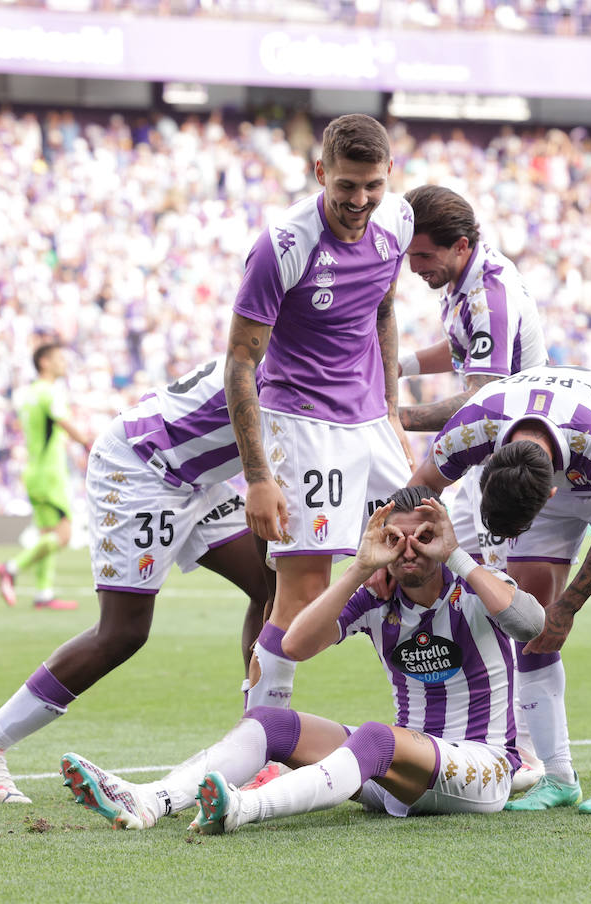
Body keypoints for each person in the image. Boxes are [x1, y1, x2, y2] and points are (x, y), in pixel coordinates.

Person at [58, 487, 545, 831]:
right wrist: (358, 568)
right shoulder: (377, 595)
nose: (409, 550)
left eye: (423, 536)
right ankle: (150, 800)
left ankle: (245, 808)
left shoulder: (475, 585)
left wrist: (458, 556)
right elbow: (295, 646)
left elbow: (531, 624)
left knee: (376, 736)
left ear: (443, 538)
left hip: (482, 772)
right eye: (395, 540)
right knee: (272, 722)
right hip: (396, 774)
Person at [0, 359, 272, 803]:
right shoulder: (298, 358)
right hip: (142, 466)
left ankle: (257, 747)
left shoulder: (306, 345)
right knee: (122, 632)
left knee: (268, 583)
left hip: (192, 476)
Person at [224, 113, 416, 712]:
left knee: (437, 549)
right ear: (319, 173)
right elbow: (238, 363)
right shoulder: (282, 246)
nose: (359, 201)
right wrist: (258, 478)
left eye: (372, 186)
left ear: (389, 176)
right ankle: (260, 741)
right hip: (304, 427)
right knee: (301, 595)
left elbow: (383, 310)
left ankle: (447, 717)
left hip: (370, 424)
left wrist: (393, 412)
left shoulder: (398, 223)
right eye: (346, 187)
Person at [406, 365, 591, 814]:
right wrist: (390, 552)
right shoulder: (471, 429)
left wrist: (568, 607)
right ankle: (558, 775)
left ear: (545, 498)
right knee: (529, 621)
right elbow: (419, 488)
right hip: (543, 465)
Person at [397, 183, 548, 569]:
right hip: (486, 449)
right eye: (410, 255)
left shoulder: (488, 297)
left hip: (509, 458)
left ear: (461, 245)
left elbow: (481, 399)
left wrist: (395, 417)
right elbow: (465, 348)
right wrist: (400, 367)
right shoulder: (465, 275)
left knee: (496, 588)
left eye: (424, 255)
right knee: (448, 571)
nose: (414, 267)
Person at [0, 342, 93, 610]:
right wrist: (88, 444)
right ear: (44, 362)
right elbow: (63, 422)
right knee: (63, 535)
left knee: (47, 534)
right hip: (50, 474)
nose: (64, 363)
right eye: (59, 358)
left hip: (34, 470)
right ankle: (12, 568)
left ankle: (43, 594)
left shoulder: (28, 395)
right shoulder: (49, 393)